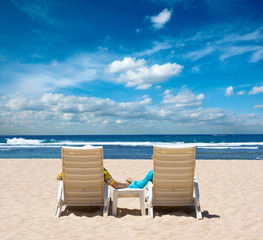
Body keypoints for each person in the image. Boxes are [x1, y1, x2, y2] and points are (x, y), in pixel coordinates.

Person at [57, 168, 130, 189]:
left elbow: (58, 178)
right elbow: (116, 185)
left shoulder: (69, 170)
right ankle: (129, 183)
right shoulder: (101, 170)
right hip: (95, 198)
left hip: (74, 198)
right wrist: (126, 184)